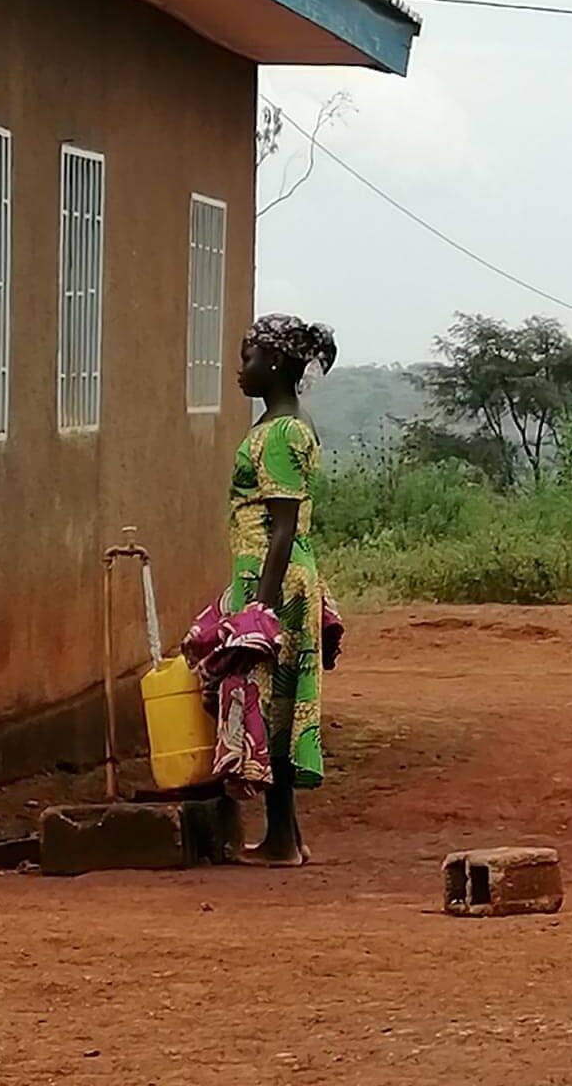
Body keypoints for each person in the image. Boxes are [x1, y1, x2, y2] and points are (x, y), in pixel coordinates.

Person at [229, 312, 339, 867]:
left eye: (248, 356)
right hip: (281, 574)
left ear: (274, 362)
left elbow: (283, 526)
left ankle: (279, 841)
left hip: (273, 578)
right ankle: (288, 837)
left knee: (272, 702)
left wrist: (260, 610)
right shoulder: (290, 424)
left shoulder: (279, 434)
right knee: (280, 700)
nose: (240, 368)